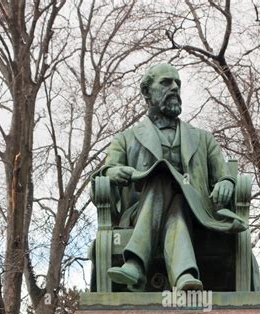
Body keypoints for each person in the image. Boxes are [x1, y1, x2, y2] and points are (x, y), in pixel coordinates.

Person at [103, 62, 247, 292]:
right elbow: (102, 177)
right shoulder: (125, 139)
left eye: (178, 83)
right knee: (169, 188)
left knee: (175, 191)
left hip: (198, 214)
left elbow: (224, 176)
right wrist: (110, 172)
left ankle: (135, 263)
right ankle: (184, 275)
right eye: (166, 82)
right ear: (146, 92)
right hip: (140, 215)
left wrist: (226, 183)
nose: (174, 88)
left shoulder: (203, 139)